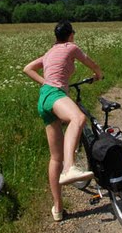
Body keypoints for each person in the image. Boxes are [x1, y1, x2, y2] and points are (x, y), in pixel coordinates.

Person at [23, 20, 103, 222]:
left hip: (44, 99)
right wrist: (98, 75)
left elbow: (28, 68)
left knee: (54, 158)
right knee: (78, 118)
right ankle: (70, 168)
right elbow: (91, 64)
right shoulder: (71, 47)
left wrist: (45, 82)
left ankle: (57, 209)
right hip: (54, 95)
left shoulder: (50, 52)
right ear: (71, 35)